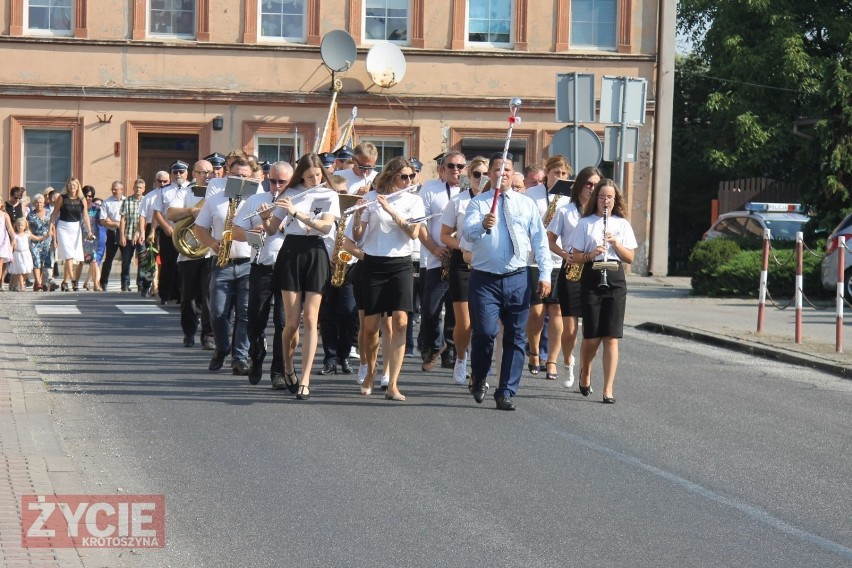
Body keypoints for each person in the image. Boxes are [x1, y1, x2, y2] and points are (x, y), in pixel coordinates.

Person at [462, 153, 552, 411]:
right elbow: (468, 233)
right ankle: (479, 375)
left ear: (514, 174)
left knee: (515, 336)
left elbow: (540, 242)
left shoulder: (526, 205)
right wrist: (482, 224)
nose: (502, 175)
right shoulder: (478, 203)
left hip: (518, 277)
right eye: (497, 170)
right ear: (490, 174)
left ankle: (506, 390)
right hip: (484, 279)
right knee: (486, 332)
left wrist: (545, 274)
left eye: (508, 170)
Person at [346, 156, 424, 401]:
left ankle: (393, 383)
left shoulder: (414, 200)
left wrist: (391, 210)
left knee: (400, 322)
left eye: (411, 176)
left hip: (400, 263)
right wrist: (358, 218)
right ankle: (370, 372)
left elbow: (413, 233)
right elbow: (357, 237)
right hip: (373, 263)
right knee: (370, 329)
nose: (409, 180)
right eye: (404, 176)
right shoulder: (371, 198)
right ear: (391, 176)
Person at [262, 153, 340, 400]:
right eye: (310, 176)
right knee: (291, 322)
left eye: (318, 175)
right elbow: (273, 229)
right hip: (291, 252)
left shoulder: (330, 194)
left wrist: (296, 213)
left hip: (316, 251)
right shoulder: (289, 193)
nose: (315, 179)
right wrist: (266, 218)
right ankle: (288, 367)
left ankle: (305, 379)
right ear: (301, 176)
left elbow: (326, 227)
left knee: (311, 318)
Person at [569, 179, 637, 404]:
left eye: (610, 197)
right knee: (591, 337)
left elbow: (629, 258)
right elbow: (575, 256)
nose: (605, 201)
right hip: (592, 275)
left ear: (615, 199)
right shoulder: (586, 223)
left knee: (611, 336)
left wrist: (615, 243)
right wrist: (591, 253)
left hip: (615, 277)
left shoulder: (622, 224)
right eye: (602, 197)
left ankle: (608, 389)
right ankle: (585, 371)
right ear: (596, 198)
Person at [193, 157, 260, 375]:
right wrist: (213, 243)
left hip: (248, 263)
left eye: (244, 176)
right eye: (236, 175)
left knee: (245, 313)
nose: (240, 179)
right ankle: (222, 348)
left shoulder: (257, 201)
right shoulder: (215, 200)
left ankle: (240, 358)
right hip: (221, 263)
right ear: (227, 175)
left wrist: (259, 228)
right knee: (218, 313)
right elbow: (199, 228)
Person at [234, 160, 292, 387]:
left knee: (283, 322)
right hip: (261, 266)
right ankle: (256, 357)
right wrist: (253, 230)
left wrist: (278, 224)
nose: (276, 186)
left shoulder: (297, 201)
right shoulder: (256, 200)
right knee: (255, 321)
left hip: (287, 268)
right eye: (273, 181)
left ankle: (278, 371)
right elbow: (236, 231)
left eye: (282, 182)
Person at [547, 165, 602, 388]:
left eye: (596, 184)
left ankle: (584, 370)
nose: (592, 188)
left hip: (594, 271)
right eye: (588, 183)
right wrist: (564, 254)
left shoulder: (602, 215)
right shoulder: (565, 211)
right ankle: (568, 360)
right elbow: (550, 240)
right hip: (571, 270)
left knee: (592, 328)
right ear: (579, 185)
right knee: (569, 329)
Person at [440, 155, 488, 385]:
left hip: (488, 263)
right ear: (469, 176)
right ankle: (461, 358)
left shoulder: (495, 201)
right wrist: (464, 245)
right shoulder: (458, 201)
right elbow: (444, 236)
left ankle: (480, 368)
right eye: (476, 174)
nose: (481, 178)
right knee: (465, 322)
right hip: (463, 263)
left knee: (483, 323)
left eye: (485, 174)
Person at [524, 155, 572, 381]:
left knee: (557, 312)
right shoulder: (532, 195)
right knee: (536, 311)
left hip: (560, 259)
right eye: (556, 173)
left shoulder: (570, 199)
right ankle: (534, 352)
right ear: (547, 174)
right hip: (535, 259)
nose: (560, 177)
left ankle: (551, 360)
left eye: (564, 174)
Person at [418, 151, 465, 371]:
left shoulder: (471, 192)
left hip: (461, 258)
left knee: (456, 310)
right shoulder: (431, 188)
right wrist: (435, 248)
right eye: (451, 166)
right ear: (442, 169)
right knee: (430, 309)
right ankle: (434, 346)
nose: (456, 170)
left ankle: (451, 350)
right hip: (437, 257)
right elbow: (421, 224)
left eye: (461, 166)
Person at [167, 161, 215, 349]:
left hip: (210, 251)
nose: (206, 176)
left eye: (210, 172)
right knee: (188, 297)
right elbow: (171, 213)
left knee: (209, 295)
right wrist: (192, 211)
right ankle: (189, 332)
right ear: (193, 174)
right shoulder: (186, 192)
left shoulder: (218, 193)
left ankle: (208, 336)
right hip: (189, 253)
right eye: (202, 172)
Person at [154, 161, 190, 304]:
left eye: (181, 172)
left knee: (184, 264)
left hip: (186, 233)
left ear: (187, 173)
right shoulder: (164, 190)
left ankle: (182, 294)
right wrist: (165, 227)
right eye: (175, 172)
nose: (178, 175)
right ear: (171, 174)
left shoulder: (191, 189)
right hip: (169, 232)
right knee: (168, 263)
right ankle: (165, 294)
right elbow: (157, 212)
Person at [50, 178, 94, 292]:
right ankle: (74, 280)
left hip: (76, 229)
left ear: (78, 186)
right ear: (67, 186)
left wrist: (89, 231)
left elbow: (85, 216)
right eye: (70, 185)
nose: (72, 187)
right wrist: (51, 225)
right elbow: (54, 213)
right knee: (68, 256)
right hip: (63, 228)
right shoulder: (62, 198)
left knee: (76, 258)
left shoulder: (82, 199)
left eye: (74, 185)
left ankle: (65, 282)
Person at [119, 178, 147, 294]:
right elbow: (122, 220)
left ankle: (140, 284)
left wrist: (141, 232)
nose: (138, 189)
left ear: (144, 189)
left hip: (141, 236)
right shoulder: (127, 201)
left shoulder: (146, 201)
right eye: (136, 187)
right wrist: (121, 236)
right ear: (133, 188)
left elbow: (147, 219)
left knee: (142, 260)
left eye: (140, 187)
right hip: (128, 235)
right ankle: (125, 283)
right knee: (126, 261)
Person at [98, 180, 125, 290]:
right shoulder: (107, 202)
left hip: (124, 232)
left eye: (116, 189)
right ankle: (103, 282)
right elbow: (102, 220)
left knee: (126, 259)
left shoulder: (127, 201)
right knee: (109, 258)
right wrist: (118, 224)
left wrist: (114, 222)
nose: (114, 191)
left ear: (122, 190)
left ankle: (125, 283)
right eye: (112, 189)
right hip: (112, 232)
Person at [79, 186, 106, 291]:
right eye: (86, 195)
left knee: (94, 260)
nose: (88, 198)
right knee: (82, 261)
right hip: (81, 237)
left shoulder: (96, 208)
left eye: (90, 196)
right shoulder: (78, 207)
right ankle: (75, 282)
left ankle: (96, 284)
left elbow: (102, 220)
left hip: (93, 237)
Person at [26, 194, 54, 291]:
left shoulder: (49, 213)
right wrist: (34, 237)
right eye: (37, 202)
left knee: (43, 262)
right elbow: (27, 228)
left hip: (47, 240)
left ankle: (39, 282)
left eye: (41, 202)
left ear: (44, 203)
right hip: (35, 240)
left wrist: (55, 239)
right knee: (36, 261)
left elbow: (53, 226)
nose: (39, 204)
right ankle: (38, 283)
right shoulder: (30, 215)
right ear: (34, 203)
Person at [8, 218, 33, 291]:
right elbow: (12, 245)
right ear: (15, 226)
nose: (20, 227)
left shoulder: (27, 234)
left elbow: (35, 238)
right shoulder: (15, 235)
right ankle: (21, 286)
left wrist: (44, 237)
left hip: (26, 254)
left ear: (25, 226)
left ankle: (14, 283)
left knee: (26, 270)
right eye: (18, 225)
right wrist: (10, 254)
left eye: (22, 225)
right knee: (19, 270)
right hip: (17, 254)